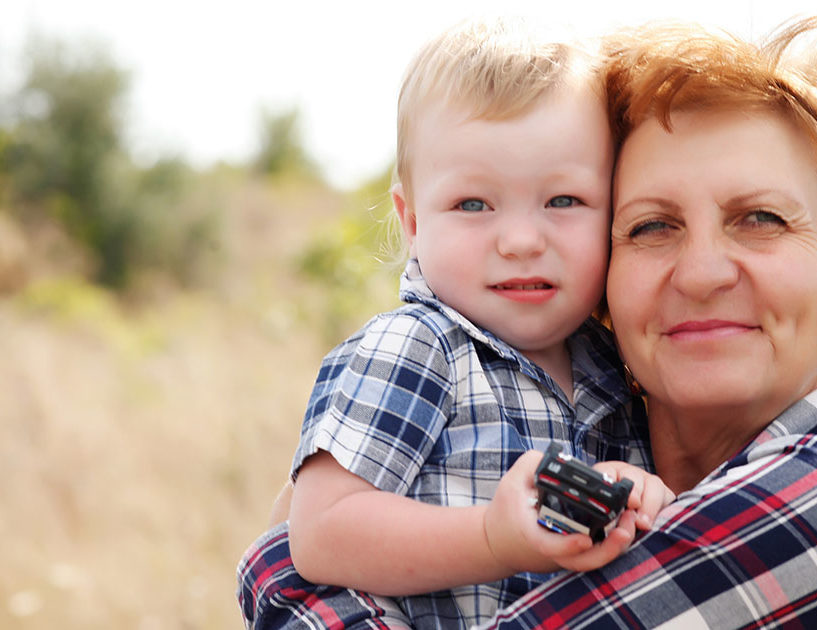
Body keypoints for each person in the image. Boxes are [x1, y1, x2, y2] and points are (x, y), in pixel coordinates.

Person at [240, 15, 817, 628]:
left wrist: (278, 561)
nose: (699, 272)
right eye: (652, 227)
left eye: (761, 219)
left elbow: (307, 545)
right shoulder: (577, 405)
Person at [238, 17, 674, 630]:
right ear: (413, 222)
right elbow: (321, 531)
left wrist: (634, 494)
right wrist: (492, 538)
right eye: (473, 204)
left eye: (564, 201)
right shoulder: (417, 348)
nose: (522, 239)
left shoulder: (614, 364)